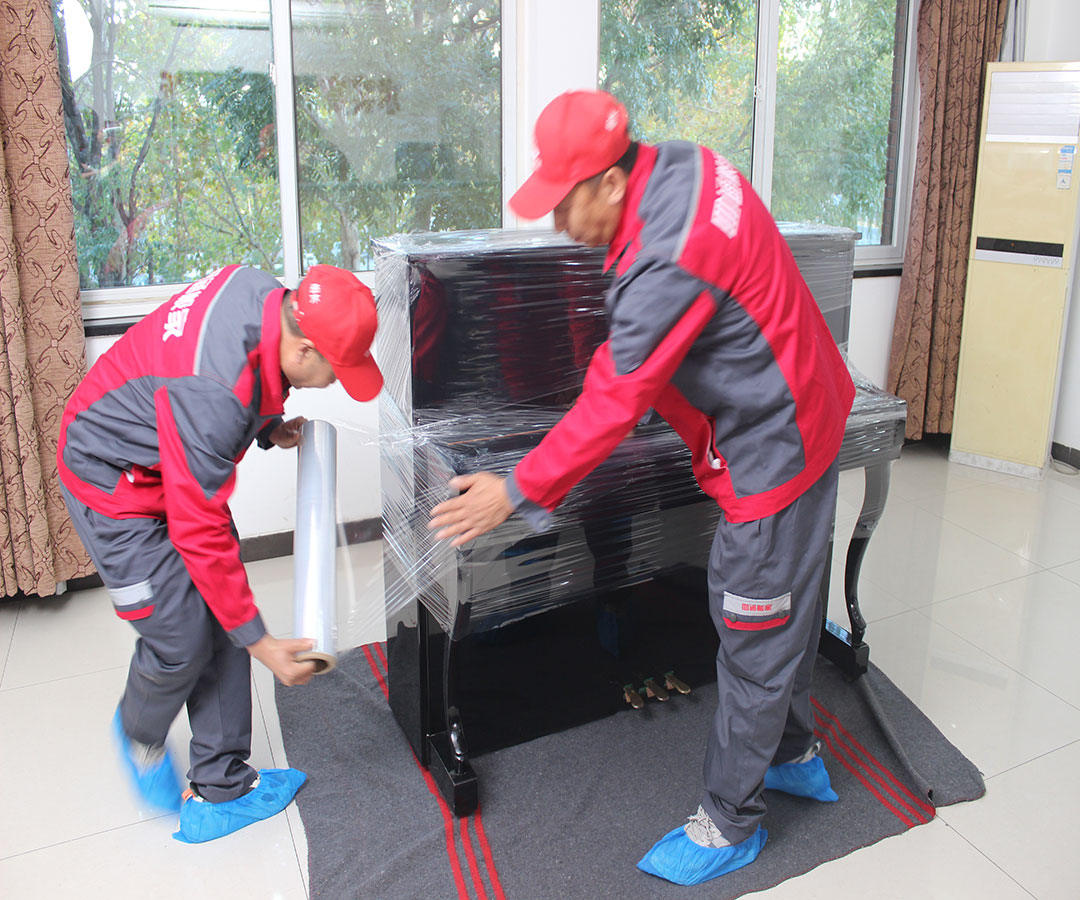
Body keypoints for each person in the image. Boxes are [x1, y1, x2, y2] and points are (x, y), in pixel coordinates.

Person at [428, 90, 855, 886]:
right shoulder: (689, 164)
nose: (561, 226)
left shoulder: (669, 253)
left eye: (566, 205)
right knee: (785, 608)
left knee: (754, 624)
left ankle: (730, 822)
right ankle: (792, 752)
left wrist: (515, 487)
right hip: (806, 402)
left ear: (614, 181)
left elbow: (618, 398)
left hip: (773, 448)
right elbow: (638, 346)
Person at [57, 263, 382, 843]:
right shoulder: (213, 392)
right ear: (305, 349)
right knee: (180, 638)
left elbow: (244, 374)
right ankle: (139, 733)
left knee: (225, 610)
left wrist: (268, 426)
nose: (337, 381)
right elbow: (197, 526)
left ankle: (222, 785)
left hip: (175, 461)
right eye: (337, 369)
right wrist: (262, 643)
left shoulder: (262, 294)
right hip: (112, 483)